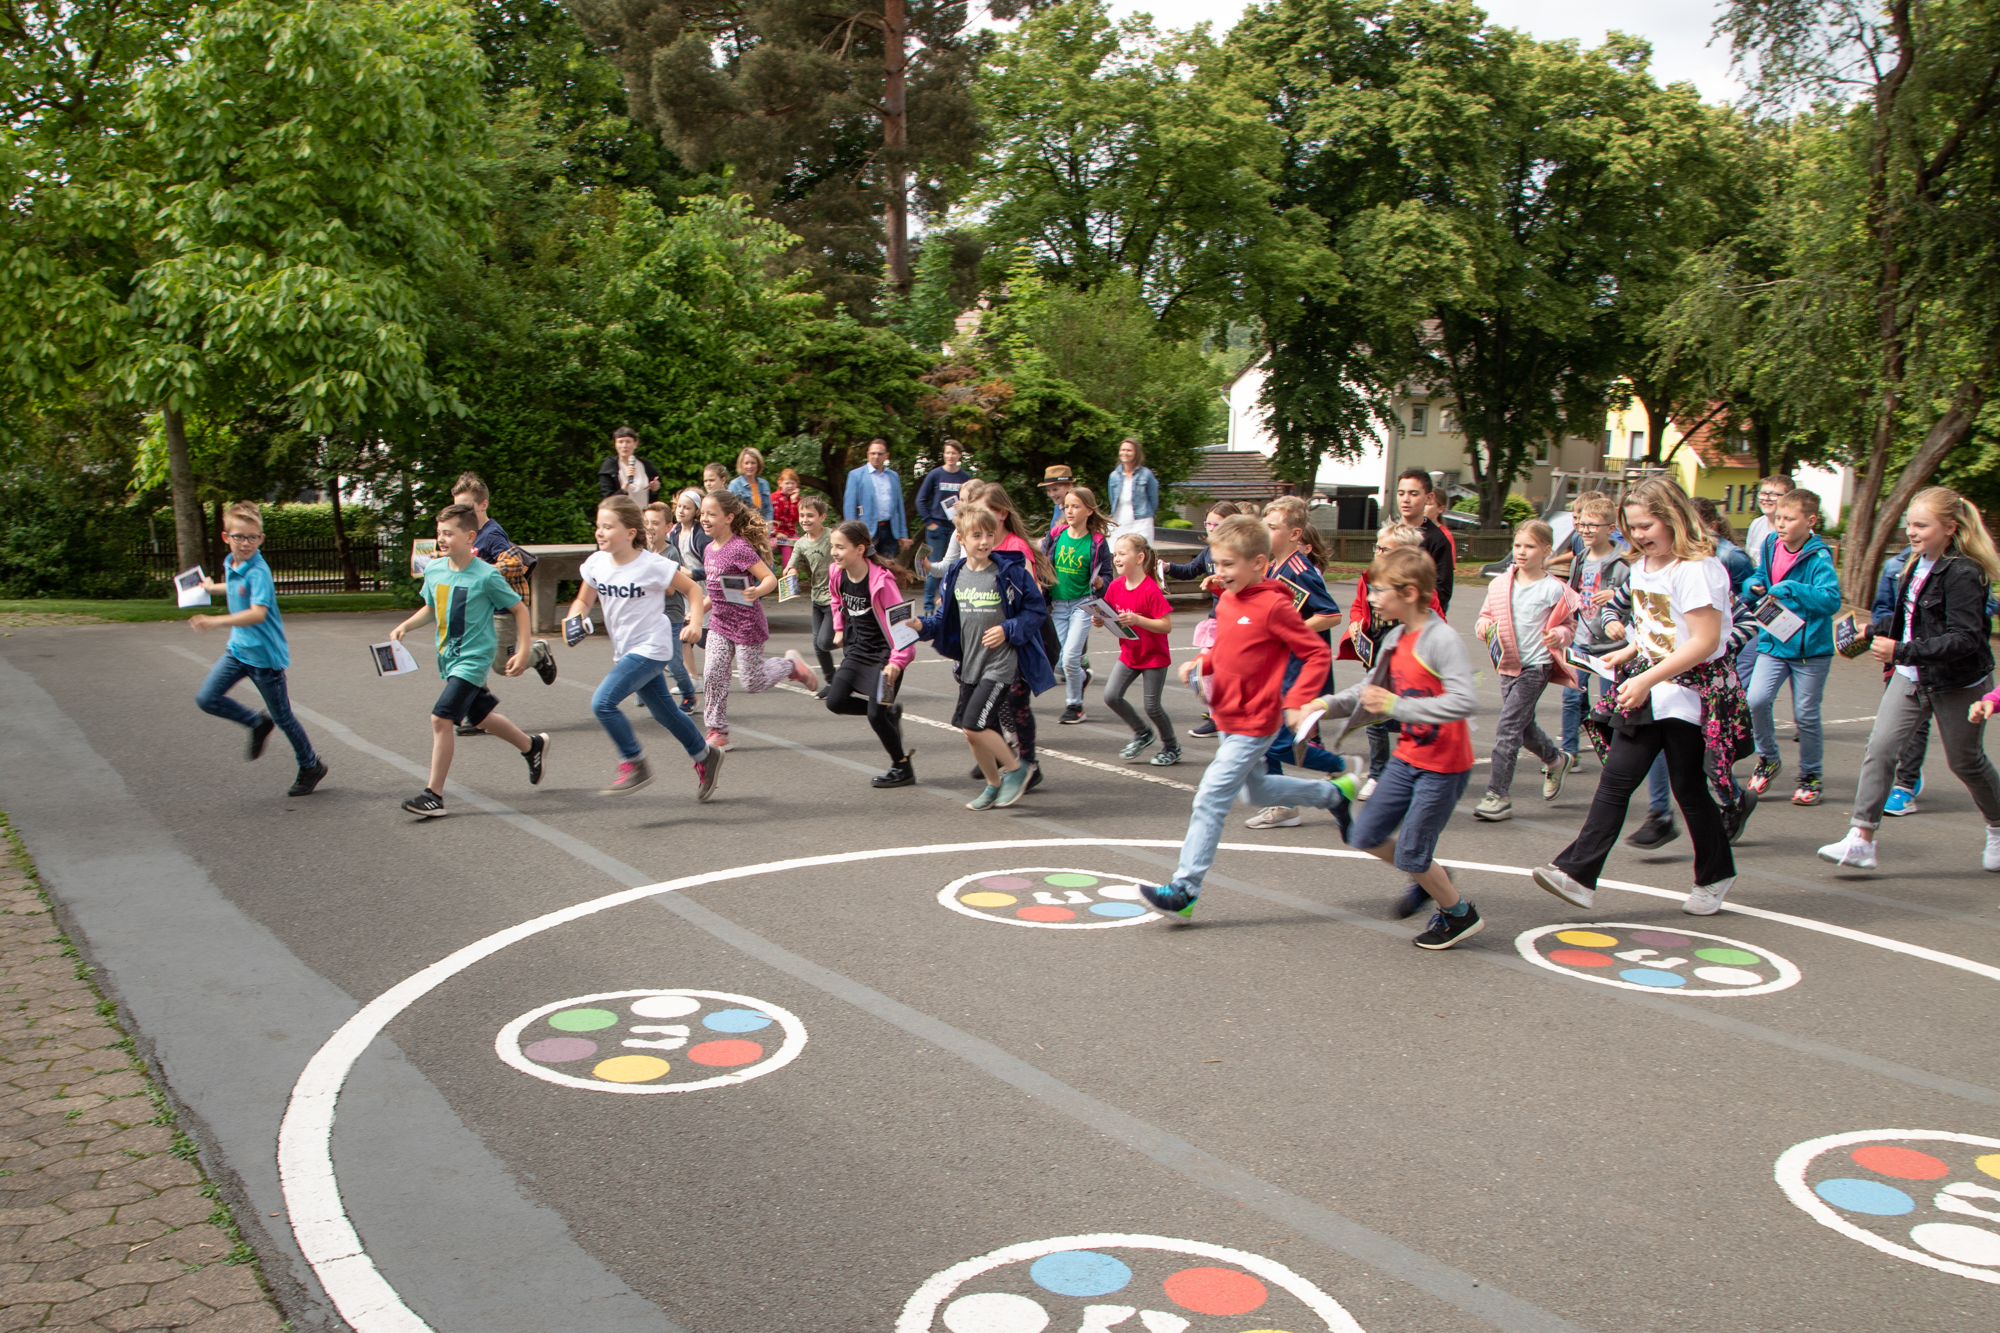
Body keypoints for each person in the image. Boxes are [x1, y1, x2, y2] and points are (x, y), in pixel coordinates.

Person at [1534, 478, 1743, 916]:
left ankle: (1715, 874)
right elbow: (1657, 629)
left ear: (1673, 518)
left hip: (1692, 695)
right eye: (1631, 527)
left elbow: (1704, 641)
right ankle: (1578, 875)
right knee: (1616, 780)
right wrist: (1628, 653)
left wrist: (1646, 678)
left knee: (1689, 789)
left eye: (1646, 525)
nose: (1639, 535)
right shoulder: (1645, 566)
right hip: (1651, 687)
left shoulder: (1698, 570)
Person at [1135, 515, 1357, 924]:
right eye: (1217, 563)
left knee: (1210, 797)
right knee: (1256, 792)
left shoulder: (1274, 605)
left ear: (1258, 562)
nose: (1219, 572)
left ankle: (1185, 890)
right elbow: (1231, 647)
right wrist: (1203, 662)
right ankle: (1333, 795)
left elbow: (1314, 653)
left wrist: (1298, 701)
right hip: (1228, 715)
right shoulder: (1229, 599)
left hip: (1257, 719)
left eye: (1228, 564)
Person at [1818, 486, 2000, 872]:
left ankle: (1998, 826)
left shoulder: (1964, 573)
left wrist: (1901, 651)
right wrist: (1872, 630)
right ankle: (1861, 839)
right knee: (1880, 750)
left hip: (1958, 682)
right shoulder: (1914, 563)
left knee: (1965, 762)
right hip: (1910, 678)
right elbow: (1911, 619)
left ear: (1950, 528)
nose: (1911, 532)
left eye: (1922, 525)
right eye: (1909, 525)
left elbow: (1966, 639)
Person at [1311, 545, 1482, 947]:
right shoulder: (1394, 637)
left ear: (1409, 593)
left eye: (1378, 590)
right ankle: (1430, 876)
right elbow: (1368, 689)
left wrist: (1396, 706)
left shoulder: (1441, 639)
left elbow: (1463, 701)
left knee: (1412, 853)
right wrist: (1321, 706)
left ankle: (1459, 915)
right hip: (1408, 758)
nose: (1371, 597)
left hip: (1443, 766)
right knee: (1364, 835)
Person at [389, 504, 550, 817]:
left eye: (449, 533)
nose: (442, 539)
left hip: (473, 659)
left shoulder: (486, 575)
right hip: (448, 657)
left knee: (441, 718)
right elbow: (431, 607)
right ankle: (532, 746)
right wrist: (405, 626)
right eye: (439, 533)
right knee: (481, 717)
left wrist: (523, 650)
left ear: (470, 537)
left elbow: (519, 609)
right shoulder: (435, 570)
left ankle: (433, 795)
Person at [566, 497, 725, 800]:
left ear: (630, 533)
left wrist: (694, 622)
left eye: (608, 526)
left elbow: (692, 589)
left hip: (652, 648)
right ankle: (706, 755)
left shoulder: (651, 564)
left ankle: (634, 761)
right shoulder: (597, 563)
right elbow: (583, 600)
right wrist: (575, 619)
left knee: (602, 703)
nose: (600, 532)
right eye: (598, 526)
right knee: (665, 713)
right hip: (627, 651)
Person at [915, 503, 1053, 809]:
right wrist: (920, 626)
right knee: (972, 732)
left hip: (1000, 665)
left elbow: (1035, 610)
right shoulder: (955, 574)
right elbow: (942, 620)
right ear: (961, 539)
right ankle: (993, 785)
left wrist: (1007, 629)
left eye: (989, 534)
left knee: (973, 724)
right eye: (976, 535)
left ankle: (1018, 769)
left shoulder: (1009, 572)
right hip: (971, 664)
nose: (984, 541)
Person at [189, 501, 327, 797]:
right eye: (239, 536)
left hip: (264, 658)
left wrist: (214, 621)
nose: (246, 543)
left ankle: (311, 765)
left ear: (261, 538)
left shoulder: (259, 571)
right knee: (207, 698)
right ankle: (256, 722)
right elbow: (235, 587)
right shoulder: (232, 563)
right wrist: (212, 588)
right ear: (226, 537)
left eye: (253, 537)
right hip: (238, 651)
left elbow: (257, 613)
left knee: (283, 717)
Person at [1245, 496, 1344, 828]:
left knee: (1275, 742)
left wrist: (1292, 631)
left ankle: (1340, 769)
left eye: (1272, 528)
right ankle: (1286, 803)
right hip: (1277, 667)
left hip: (1299, 670)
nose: (1265, 532)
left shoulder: (1300, 570)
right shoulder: (1272, 567)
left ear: (1294, 533)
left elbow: (1330, 615)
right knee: (1268, 739)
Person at [1473, 520, 1579, 821]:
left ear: (1546, 550)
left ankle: (1498, 796)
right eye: (1517, 545)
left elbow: (1568, 626)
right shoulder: (1499, 584)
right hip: (1508, 666)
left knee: (1507, 729)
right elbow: (1485, 615)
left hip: (1536, 666)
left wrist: (1558, 635)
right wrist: (1483, 626)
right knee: (1522, 727)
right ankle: (1555, 760)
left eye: (1530, 546)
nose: (1521, 552)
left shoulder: (1554, 590)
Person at [697, 489, 818, 751]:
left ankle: (790, 665)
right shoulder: (708, 550)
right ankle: (717, 730)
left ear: (729, 517)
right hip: (720, 623)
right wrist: (697, 612)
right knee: (713, 673)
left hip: (746, 624)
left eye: (711, 514)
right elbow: (714, 593)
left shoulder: (739, 548)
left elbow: (769, 579)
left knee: (752, 682)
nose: (704, 518)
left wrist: (756, 591)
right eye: (702, 513)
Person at [1743, 488, 1841, 806]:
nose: (1781, 524)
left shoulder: (1819, 557)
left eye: (1789, 518)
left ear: (1810, 521)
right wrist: (1752, 584)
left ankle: (1810, 775)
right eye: (1779, 518)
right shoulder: (1771, 544)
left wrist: (1793, 589)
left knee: (1806, 716)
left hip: (1810, 650)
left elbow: (1831, 601)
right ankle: (1768, 759)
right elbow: (1760, 574)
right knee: (1756, 700)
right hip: (1774, 641)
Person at [449, 472, 555, 737]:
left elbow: (513, 562)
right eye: (458, 508)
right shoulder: (466, 534)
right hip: (476, 610)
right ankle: (478, 715)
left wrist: (479, 570)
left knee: (503, 665)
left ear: (483, 504)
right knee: (471, 658)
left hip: (501, 610)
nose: (462, 513)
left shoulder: (492, 533)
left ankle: (539, 653)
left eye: (467, 507)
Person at [1342, 522, 1436, 800]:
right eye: (1378, 547)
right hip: (1377, 652)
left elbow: (1434, 615)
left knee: (1402, 712)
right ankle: (1378, 774)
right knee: (1373, 712)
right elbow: (1358, 605)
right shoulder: (1369, 576)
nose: (1378, 553)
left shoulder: (1418, 587)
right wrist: (1356, 621)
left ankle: (1421, 760)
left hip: (1408, 656)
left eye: (1385, 549)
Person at [974, 483, 1058, 790]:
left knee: (1015, 699)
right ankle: (1005, 756)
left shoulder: (1015, 548)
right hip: (993, 637)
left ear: (1001, 514)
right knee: (990, 699)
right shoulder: (981, 544)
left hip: (1023, 637)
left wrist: (1006, 626)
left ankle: (1029, 765)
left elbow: (1030, 601)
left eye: (984, 511)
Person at [825, 520, 919, 787]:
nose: (834, 552)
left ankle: (902, 767)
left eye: (840, 547)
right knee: (835, 702)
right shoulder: (837, 572)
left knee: (876, 716)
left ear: (859, 549)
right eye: (833, 546)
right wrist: (839, 628)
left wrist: (897, 662)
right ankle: (891, 712)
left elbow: (905, 628)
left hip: (887, 657)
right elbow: (835, 599)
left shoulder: (882, 583)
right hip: (858, 651)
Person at [1558, 492, 1628, 779]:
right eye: (1581, 524)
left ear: (1610, 528)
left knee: (1610, 705)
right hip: (1582, 642)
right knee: (1571, 697)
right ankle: (1569, 753)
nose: (1584, 530)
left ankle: (1614, 756)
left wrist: (1616, 594)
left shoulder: (1624, 563)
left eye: (1592, 525)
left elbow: (1639, 599)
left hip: (1614, 646)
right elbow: (1572, 595)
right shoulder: (1580, 560)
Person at [1095, 531, 1179, 765]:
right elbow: (1109, 614)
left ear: (1140, 557)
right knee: (1111, 696)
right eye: (1115, 554)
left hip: (1153, 656)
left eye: (1122, 554)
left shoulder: (1150, 589)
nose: (1117, 559)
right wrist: (1099, 619)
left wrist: (1138, 620)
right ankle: (1143, 733)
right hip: (1129, 653)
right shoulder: (1116, 586)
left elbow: (1166, 626)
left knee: (1152, 707)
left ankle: (1172, 747)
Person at [1168, 501, 1242, 739]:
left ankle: (1223, 717)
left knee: (1215, 672)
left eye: (1216, 524)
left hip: (1235, 622)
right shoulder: (1209, 551)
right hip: (1217, 620)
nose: (1210, 528)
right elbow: (1190, 570)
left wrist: (1221, 583)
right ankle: (1218, 716)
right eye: (1207, 523)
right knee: (1206, 672)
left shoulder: (1240, 553)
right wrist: (1167, 567)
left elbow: (1244, 589)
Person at [1043, 485, 1114, 724]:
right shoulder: (1056, 535)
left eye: (1076, 506)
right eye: (1067, 507)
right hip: (1058, 605)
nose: (1070, 511)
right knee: (1060, 660)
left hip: (1083, 604)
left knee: (1070, 658)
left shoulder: (1096, 542)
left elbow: (1108, 575)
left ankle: (1075, 706)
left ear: (1089, 511)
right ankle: (1082, 677)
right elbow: (1041, 563)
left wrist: (1101, 582)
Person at [643, 500, 702, 711]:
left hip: (671, 615)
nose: (650, 527)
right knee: (645, 656)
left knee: (675, 664)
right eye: (646, 523)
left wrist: (648, 572)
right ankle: (647, 691)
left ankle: (689, 695)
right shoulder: (641, 552)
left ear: (668, 527)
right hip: (649, 615)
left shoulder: (670, 553)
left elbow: (669, 589)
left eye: (655, 523)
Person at [663, 488, 711, 713]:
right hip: (684, 590)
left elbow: (712, 566)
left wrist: (692, 573)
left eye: (687, 508)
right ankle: (693, 678)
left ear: (696, 511)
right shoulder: (673, 532)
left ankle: (718, 669)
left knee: (704, 639)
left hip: (703, 590)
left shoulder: (700, 535)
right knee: (684, 636)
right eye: (679, 506)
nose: (681, 511)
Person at [786, 496, 836, 693]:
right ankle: (832, 682)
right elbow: (791, 565)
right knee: (817, 645)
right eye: (802, 515)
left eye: (810, 515)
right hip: (817, 598)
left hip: (835, 598)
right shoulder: (801, 544)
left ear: (822, 517)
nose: (805, 519)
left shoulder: (833, 537)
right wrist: (791, 571)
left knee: (825, 642)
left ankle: (853, 642)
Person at [916, 439, 971, 613]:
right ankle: (928, 608)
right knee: (934, 566)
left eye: (953, 453)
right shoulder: (935, 474)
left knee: (958, 565)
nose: (950, 456)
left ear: (959, 455)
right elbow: (920, 500)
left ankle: (951, 603)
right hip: (937, 528)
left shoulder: (965, 477)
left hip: (959, 527)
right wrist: (929, 521)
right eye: (947, 452)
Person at [1394, 468, 1455, 613]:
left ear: (1428, 498)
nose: (1405, 499)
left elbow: (1443, 590)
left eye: (1413, 494)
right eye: (1401, 493)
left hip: (1419, 616)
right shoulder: (1388, 533)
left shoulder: (1438, 540)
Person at [842, 438, 909, 559]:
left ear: (886, 455)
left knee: (888, 566)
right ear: (868, 454)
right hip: (866, 532)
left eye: (880, 453)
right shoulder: (856, 475)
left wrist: (903, 534)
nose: (876, 456)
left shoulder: (893, 476)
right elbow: (850, 508)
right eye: (873, 453)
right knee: (866, 566)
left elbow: (899, 507)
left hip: (890, 531)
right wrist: (852, 534)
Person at [1105, 438, 1159, 543]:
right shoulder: (1114, 475)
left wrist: (1146, 514)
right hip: (1119, 521)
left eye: (1129, 450)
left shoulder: (1146, 474)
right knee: (1116, 549)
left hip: (1141, 522)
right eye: (1123, 450)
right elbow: (1112, 499)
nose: (1125, 453)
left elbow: (1154, 500)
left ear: (1136, 453)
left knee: (1141, 549)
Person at [599, 426, 662, 503]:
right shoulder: (609, 466)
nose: (624, 446)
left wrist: (655, 489)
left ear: (635, 444)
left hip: (643, 510)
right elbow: (608, 500)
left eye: (628, 442)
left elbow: (654, 497)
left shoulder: (646, 465)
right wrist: (626, 484)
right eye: (620, 442)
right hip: (621, 510)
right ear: (615, 444)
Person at [1743, 474, 1795, 563]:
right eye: (1763, 494)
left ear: (1789, 498)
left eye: (1773, 494)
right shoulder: (1757, 524)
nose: (1766, 498)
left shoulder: (1799, 530)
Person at [728, 446, 774, 522]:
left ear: (758, 464)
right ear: (741, 464)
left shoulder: (764, 484)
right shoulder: (734, 485)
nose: (750, 466)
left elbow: (768, 510)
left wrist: (767, 526)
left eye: (753, 463)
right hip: (743, 525)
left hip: (762, 526)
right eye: (746, 463)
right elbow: (731, 510)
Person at [770, 467, 801, 571]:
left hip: (791, 536)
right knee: (786, 546)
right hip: (774, 537)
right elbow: (768, 519)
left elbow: (798, 518)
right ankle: (788, 575)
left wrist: (793, 502)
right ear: (780, 483)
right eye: (787, 483)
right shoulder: (773, 498)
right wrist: (776, 533)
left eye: (793, 483)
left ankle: (794, 573)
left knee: (803, 544)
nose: (790, 486)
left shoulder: (797, 499)